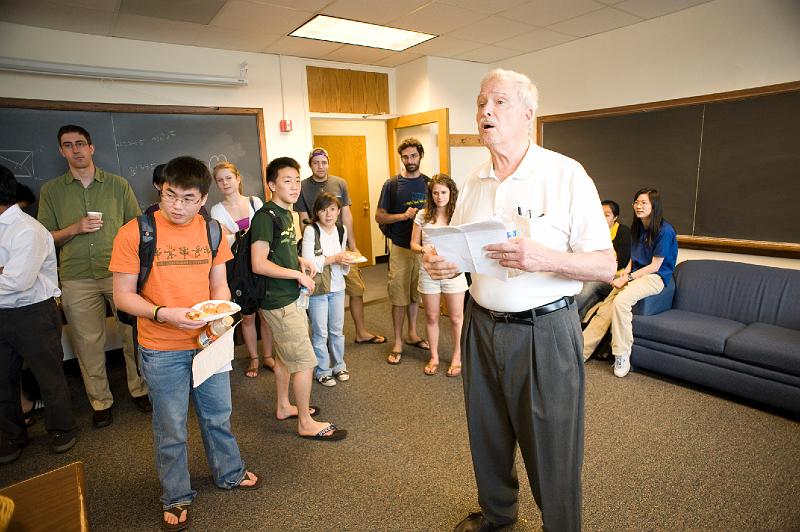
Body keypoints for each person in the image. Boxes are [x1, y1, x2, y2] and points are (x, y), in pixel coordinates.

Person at [423, 69, 616, 532]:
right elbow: (470, 253)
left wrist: (541, 257)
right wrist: (449, 265)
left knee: (552, 447)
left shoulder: (565, 175)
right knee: (487, 436)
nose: (485, 111)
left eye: (499, 102)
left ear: (528, 115)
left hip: (544, 333)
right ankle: (498, 517)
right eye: (481, 102)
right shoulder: (475, 180)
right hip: (481, 326)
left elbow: (606, 265)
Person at [110, 156, 262, 531]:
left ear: (203, 198)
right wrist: (164, 313)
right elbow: (123, 297)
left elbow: (219, 283)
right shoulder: (136, 232)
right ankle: (176, 494)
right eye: (169, 196)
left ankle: (229, 472)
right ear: (160, 191)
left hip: (208, 341)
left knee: (218, 415)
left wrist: (220, 311)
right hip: (161, 346)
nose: (177, 206)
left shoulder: (212, 232)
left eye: (187, 198)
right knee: (171, 426)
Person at [38, 124, 150, 428]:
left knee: (132, 335)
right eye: (68, 145)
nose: (76, 150)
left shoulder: (117, 185)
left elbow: (138, 228)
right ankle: (101, 401)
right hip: (75, 276)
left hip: (119, 273)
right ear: (62, 151)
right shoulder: (52, 191)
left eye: (80, 144)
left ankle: (140, 389)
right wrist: (75, 228)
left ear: (91, 148)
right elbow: (44, 237)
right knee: (87, 343)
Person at [250, 157, 347, 440]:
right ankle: (305, 423)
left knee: (283, 357)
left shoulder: (287, 214)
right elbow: (259, 263)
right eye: (286, 181)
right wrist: (297, 276)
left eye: (296, 180)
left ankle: (283, 406)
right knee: (305, 361)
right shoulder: (266, 217)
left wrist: (301, 260)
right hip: (278, 300)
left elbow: (279, 253)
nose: (294, 186)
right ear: (271, 185)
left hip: (288, 296)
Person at [0, 165, 77, 465]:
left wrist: (7, 273)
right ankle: (11, 437)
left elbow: (19, 281)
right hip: (4, 312)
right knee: (3, 380)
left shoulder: (26, 229)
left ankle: (62, 431)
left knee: (49, 375)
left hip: (33, 312)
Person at [582, 188, 678, 377]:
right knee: (604, 310)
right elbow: (634, 259)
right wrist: (625, 273)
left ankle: (622, 354)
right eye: (636, 202)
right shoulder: (637, 227)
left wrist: (627, 278)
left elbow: (655, 266)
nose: (638, 206)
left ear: (654, 206)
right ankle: (580, 352)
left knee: (621, 302)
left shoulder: (665, 231)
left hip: (655, 277)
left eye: (644, 203)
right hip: (636, 273)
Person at [295, 148, 385, 345]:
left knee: (356, 289)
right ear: (310, 165)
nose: (320, 166)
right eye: (316, 162)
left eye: (324, 162)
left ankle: (361, 332)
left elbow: (347, 216)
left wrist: (353, 247)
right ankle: (323, 336)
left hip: (340, 247)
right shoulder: (302, 186)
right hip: (318, 251)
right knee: (321, 295)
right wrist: (314, 245)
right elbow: (303, 220)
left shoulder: (340, 183)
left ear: (328, 163)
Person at [209, 162, 275, 378]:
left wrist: (236, 233)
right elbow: (223, 242)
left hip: (261, 266)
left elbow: (264, 233)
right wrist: (244, 233)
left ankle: (268, 356)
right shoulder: (216, 210)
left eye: (229, 178)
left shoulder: (255, 202)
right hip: (238, 270)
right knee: (247, 316)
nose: (225, 183)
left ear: (238, 179)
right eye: (220, 180)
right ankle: (253, 359)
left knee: (265, 315)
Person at [376, 138, 431, 365]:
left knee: (414, 294)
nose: (409, 161)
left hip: (421, 248)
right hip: (399, 247)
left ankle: (412, 334)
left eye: (413, 156)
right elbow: (379, 216)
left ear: (420, 156)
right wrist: (402, 216)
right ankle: (398, 341)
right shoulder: (392, 184)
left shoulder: (429, 183)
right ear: (402, 159)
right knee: (398, 295)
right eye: (405, 157)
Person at [410, 174, 467, 377]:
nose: (439, 196)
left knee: (456, 317)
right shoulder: (423, 214)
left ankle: (457, 357)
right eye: (435, 192)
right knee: (432, 316)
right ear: (430, 194)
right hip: (429, 272)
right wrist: (422, 249)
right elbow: (413, 244)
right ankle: (433, 356)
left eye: (443, 192)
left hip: (453, 271)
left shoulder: (459, 215)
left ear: (451, 193)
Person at [301, 192, 353, 386]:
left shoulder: (341, 229)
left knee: (337, 330)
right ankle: (323, 369)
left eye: (332, 209)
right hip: (319, 288)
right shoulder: (311, 230)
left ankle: (339, 365)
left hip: (338, 285)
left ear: (339, 211)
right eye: (323, 210)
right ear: (317, 212)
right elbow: (309, 263)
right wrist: (335, 259)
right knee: (320, 332)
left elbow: (341, 254)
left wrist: (345, 259)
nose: (328, 214)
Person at [575, 199, 632, 322]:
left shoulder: (623, 231)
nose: (601, 218)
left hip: (616, 276)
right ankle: (576, 327)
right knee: (587, 296)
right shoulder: (593, 232)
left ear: (615, 217)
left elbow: (623, 260)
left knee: (589, 287)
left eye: (606, 215)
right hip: (594, 273)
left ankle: (567, 316)